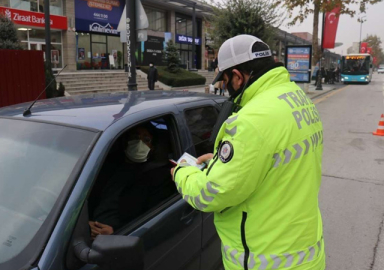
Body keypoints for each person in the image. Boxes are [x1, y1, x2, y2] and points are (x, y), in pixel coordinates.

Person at [171, 34, 325, 270]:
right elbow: (275, 157)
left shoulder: (250, 121)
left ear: (237, 76)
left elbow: (212, 194)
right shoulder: (297, 98)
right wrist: (221, 160)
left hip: (266, 260)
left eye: (225, 81)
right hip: (306, 253)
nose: (226, 88)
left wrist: (181, 173)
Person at [89, 125, 154, 238]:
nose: (139, 143)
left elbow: (147, 217)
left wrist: (115, 232)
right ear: (125, 141)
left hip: (118, 237)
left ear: (152, 147)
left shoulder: (152, 177)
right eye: (135, 137)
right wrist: (85, 224)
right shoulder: (103, 166)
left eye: (146, 139)